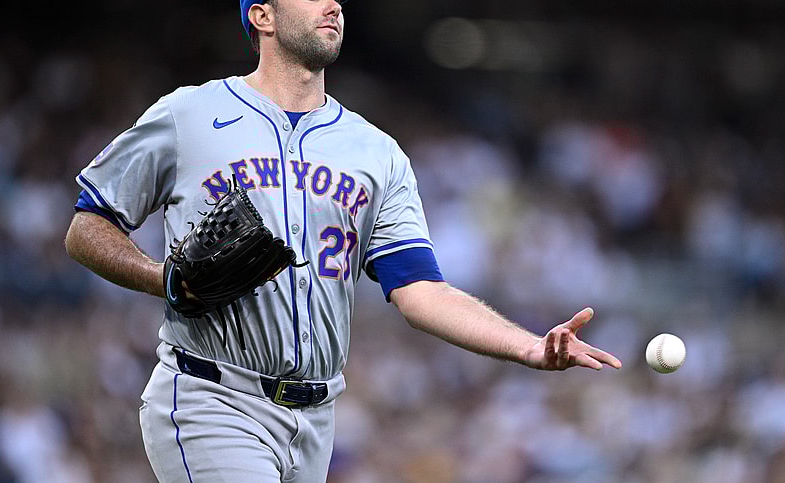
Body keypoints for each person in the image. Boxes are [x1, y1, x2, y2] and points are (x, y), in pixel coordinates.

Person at [63, 1, 623, 481]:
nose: (333, 6)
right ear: (263, 16)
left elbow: (420, 290)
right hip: (213, 395)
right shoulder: (189, 115)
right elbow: (87, 226)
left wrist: (523, 346)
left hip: (316, 418)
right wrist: (162, 278)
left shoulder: (375, 152)